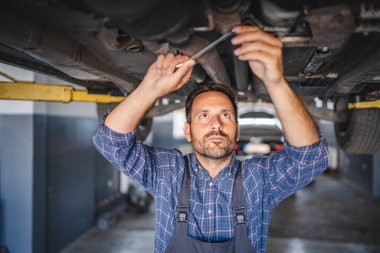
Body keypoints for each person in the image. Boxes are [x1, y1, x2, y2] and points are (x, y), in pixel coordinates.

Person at [93, 26, 328, 253]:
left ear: (237, 131)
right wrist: (149, 88)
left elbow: (309, 160)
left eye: (225, 115)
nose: (216, 124)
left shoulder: (258, 180)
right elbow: (110, 142)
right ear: (188, 131)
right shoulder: (168, 172)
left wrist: (276, 82)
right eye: (204, 116)